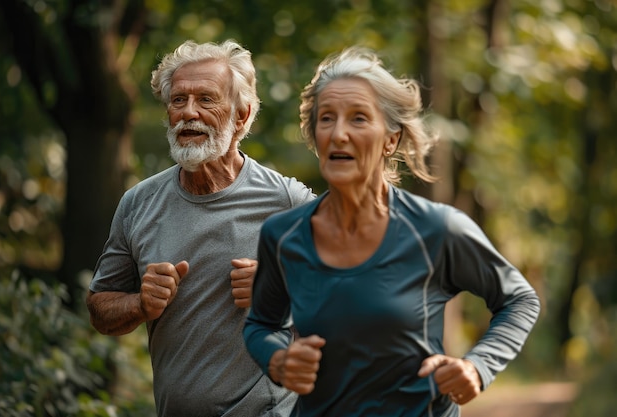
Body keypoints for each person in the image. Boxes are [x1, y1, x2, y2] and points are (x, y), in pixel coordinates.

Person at [243, 47, 541, 416]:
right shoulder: (283, 235)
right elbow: (260, 324)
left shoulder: (436, 229)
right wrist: (279, 360)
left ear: (391, 139)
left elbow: (518, 300)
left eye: (358, 119)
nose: (338, 134)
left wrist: (477, 366)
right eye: (326, 119)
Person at [86, 39, 315, 417]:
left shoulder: (287, 202)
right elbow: (100, 309)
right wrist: (140, 304)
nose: (188, 112)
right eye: (178, 100)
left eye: (206, 99)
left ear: (241, 116)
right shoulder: (138, 204)